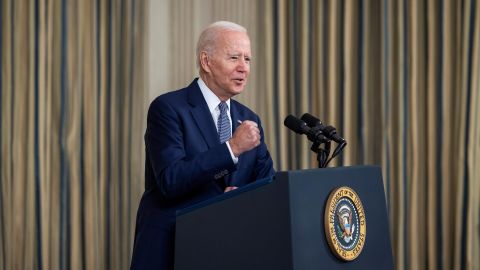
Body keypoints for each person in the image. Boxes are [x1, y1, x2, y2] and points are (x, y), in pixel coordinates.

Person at [130, 21, 275, 270]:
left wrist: (243, 199)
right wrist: (232, 149)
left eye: (248, 59)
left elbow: (268, 187)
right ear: (206, 62)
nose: (244, 68)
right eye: (234, 58)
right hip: (172, 250)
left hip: (228, 251)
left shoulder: (250, 120)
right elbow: (170, 180)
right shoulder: (168, 108)